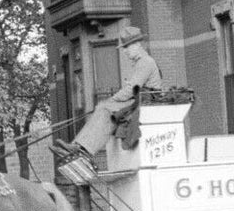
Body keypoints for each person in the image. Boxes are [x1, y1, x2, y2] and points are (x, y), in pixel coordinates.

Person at [55, 26, 162, 161]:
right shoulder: (141, 62)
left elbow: (130, 90)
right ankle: (78, 146)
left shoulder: (145, 62)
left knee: (104, 108)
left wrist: (111, 100)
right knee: (102, 108)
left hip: (144, 101)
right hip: (139, 99)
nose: (124, 51)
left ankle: (83, 149)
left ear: (137, 45)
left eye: (126, 47)